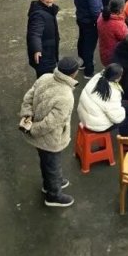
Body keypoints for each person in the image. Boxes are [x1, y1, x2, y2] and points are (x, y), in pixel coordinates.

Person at [19, 56, 81, 207]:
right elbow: (51, 123)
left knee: (47, 162)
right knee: (53, 165)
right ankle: (53, 195)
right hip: (50, 139)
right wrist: (33, 130)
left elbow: (28, 97)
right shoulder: (66, 96)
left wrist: (27, 117)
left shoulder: (45, 77)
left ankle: (50, 184)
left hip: (38, 135)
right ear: (73, 74)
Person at [65, 0, 102, 79]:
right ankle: (89, 71)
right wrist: (99, 21)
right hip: (90, 21)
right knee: (89, 45)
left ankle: (82, 62)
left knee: (82, 39)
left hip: (81, 16)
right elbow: (95, 10)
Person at [77, 63, 126, 132]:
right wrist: (123, 111)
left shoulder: (97, 77)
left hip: (83, 117)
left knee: (124, 105)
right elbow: (116, 118)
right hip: (96, 125)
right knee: (125, 120)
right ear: (116, 79)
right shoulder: (112, 92)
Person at [26, 0, 60, 78]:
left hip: (50, 50)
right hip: (44, 54)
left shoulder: (49, 9)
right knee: (45, 78)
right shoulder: (38, 15)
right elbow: (35, 33)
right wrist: (37, 49)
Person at [97, 0, 128, 67]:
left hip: (104, 51)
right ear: (120, 10)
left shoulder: (101, 16)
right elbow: (126, 38)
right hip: (114, 55)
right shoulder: (118, 24)